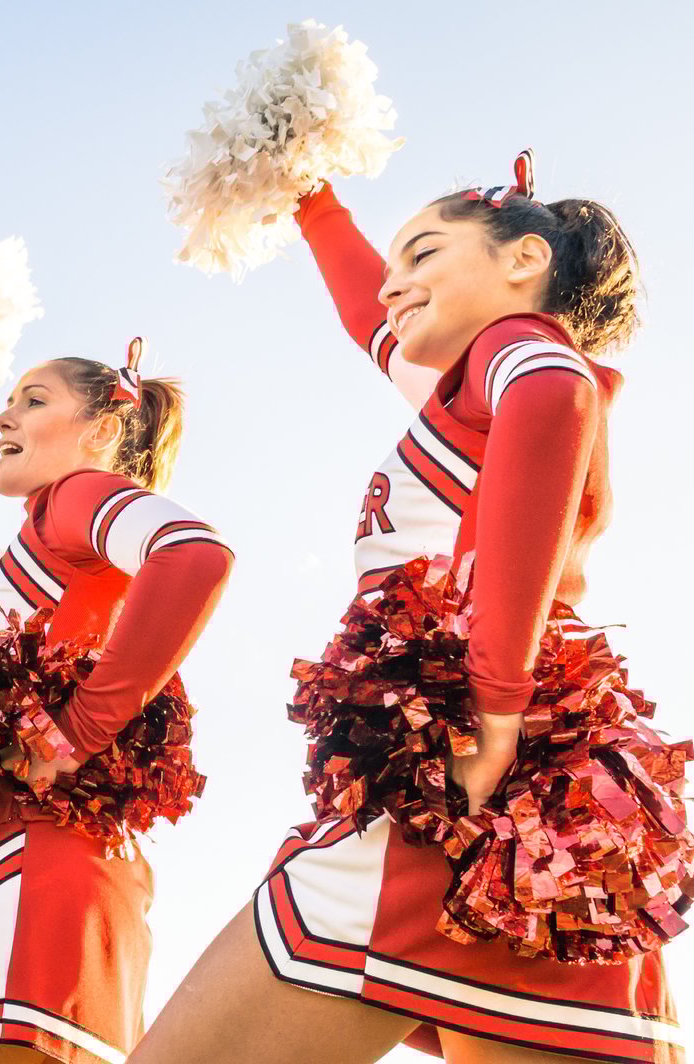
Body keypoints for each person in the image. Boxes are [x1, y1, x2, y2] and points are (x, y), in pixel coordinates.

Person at [131, 162, 681, 1064]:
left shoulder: (520, 347)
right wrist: (310, 199)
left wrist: (492, 707)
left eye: (421, 253)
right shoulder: (461, 392)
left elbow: (555, 392)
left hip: (468, 774)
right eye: (390, 265)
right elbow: (366, 314)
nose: (392, 282)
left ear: (525, 259)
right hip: (537, 814)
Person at [0, 347, 235, 1064]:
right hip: (6, 864)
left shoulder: (75, 497)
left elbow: (192, 553)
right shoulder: (23, 558)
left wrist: (77, 731)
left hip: (28, 865)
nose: (3, 414)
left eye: (33, 399)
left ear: (99, 431)